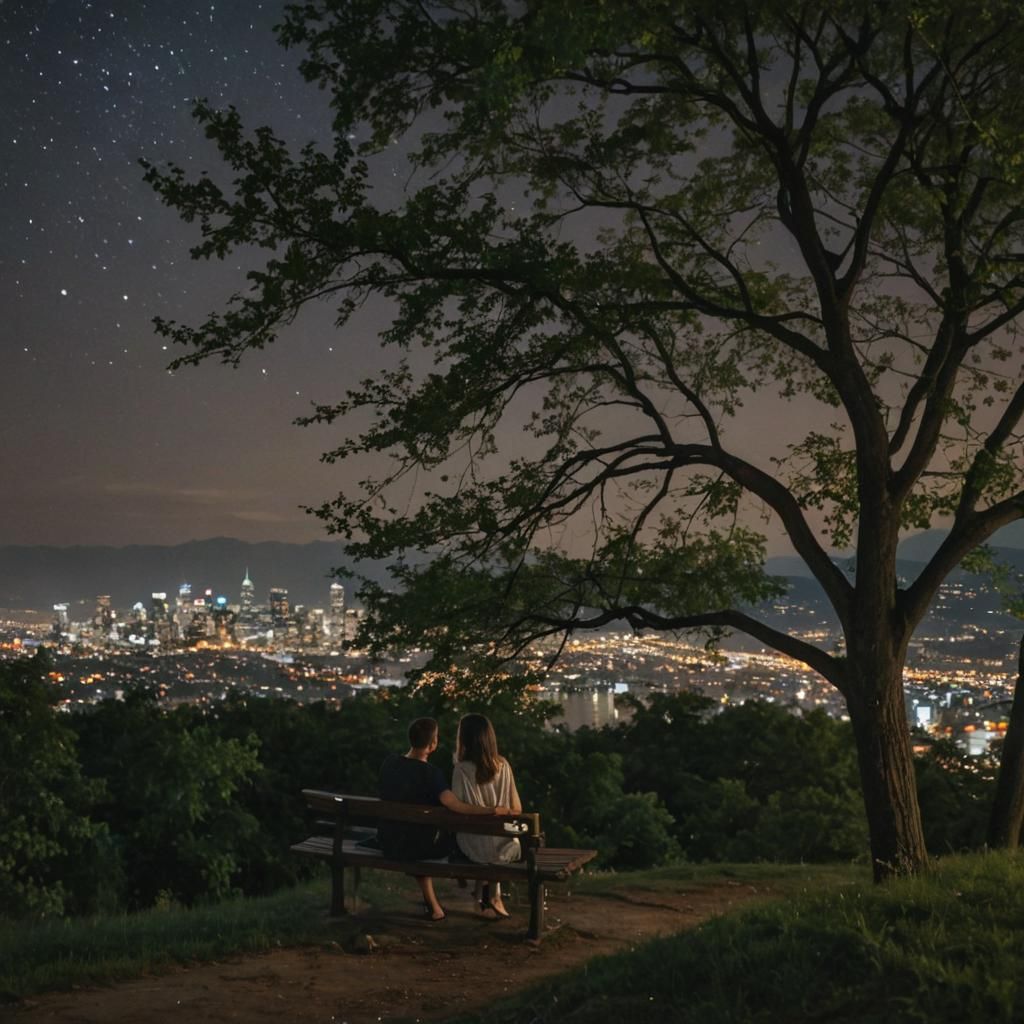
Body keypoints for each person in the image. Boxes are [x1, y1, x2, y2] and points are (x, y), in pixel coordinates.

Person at [378, 716, 510, 921]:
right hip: (417, 846)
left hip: (388, 840)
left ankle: (438, 906)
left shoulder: (389, 763)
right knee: (449, 839)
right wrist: (491, 810)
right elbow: (455, 805)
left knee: (417, 835)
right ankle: (482, 889)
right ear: (432, 745)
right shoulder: (432, 774)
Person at [452, 713, 522, 919]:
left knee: (486, 845)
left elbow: (456, 806)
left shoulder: (461, 770)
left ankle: (485, 893)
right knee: (501, 843)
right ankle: (492, 895)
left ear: (464, 739)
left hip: (471, 844)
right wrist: (497, 809)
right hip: (506, 845)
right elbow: (517, 808)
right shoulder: (504, 766)